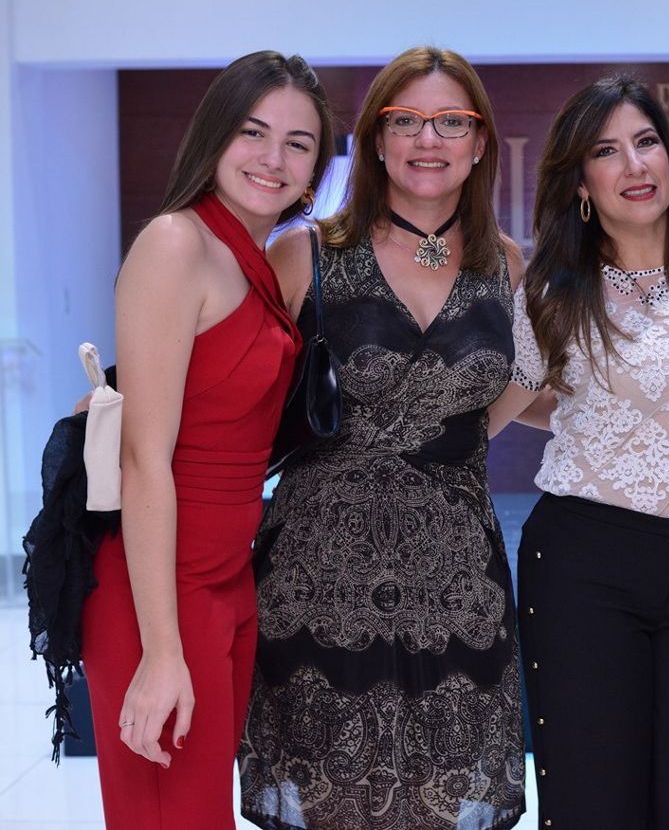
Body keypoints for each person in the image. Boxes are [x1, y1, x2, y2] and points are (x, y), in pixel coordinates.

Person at [237, 47, 527, 829]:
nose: (427, 140)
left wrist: (455, 435)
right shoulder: (304, 253)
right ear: (373, 140)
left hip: (456, 585)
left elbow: (532, 383)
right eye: (405, 121)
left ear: (479, 143)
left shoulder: (508, 265)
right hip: (317, 580)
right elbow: (249, 398)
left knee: (445, 800)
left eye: (450, 122)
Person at [488, 74, 669, 830]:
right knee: (593, 805)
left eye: (646, 142)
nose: (634, 165)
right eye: (607, 151)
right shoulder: (551, 289)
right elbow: (499, 411)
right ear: (581, 182)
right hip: (584, 566)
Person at [79, 51, 336, 829]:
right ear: (216, 134)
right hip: (160, 591)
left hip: (226, 580)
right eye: (254, 132)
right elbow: (141, 457)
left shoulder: (252, 255)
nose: (274, 158)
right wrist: (161, 651)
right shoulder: (176, 243)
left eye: (299, 143)